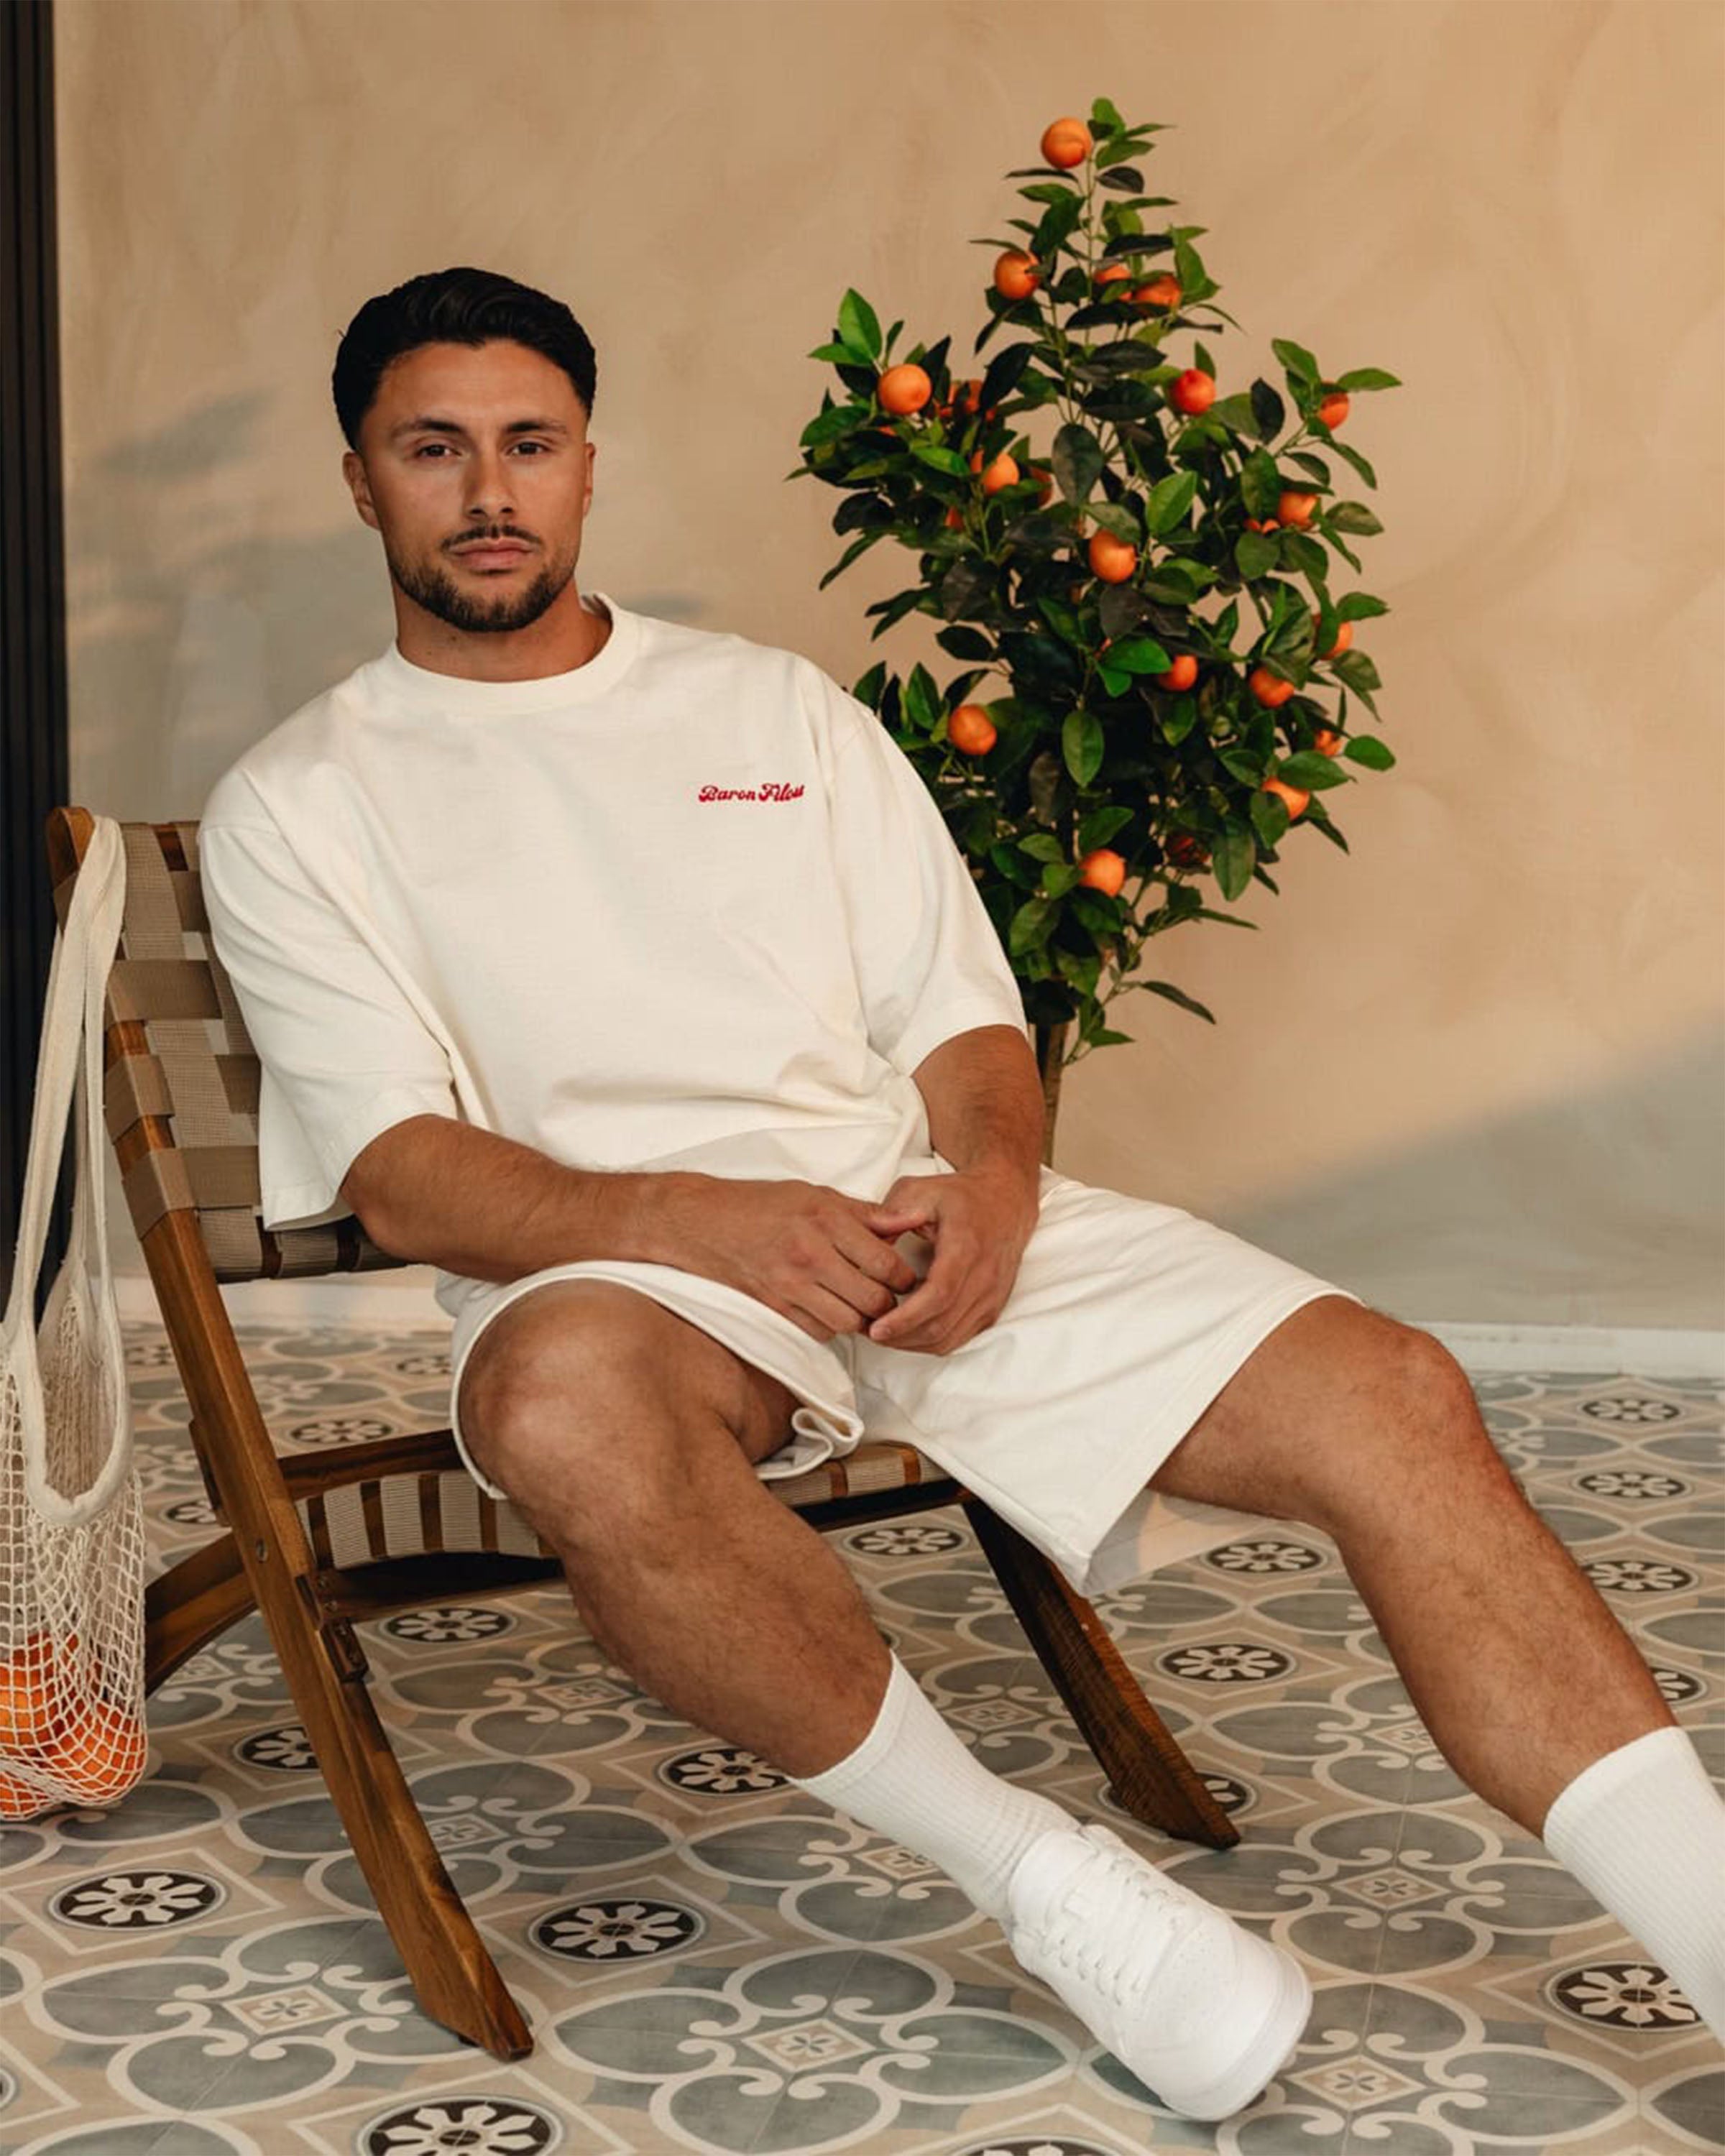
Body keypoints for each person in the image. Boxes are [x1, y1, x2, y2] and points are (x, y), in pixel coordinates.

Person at [198, 266, 1725, 2122]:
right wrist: (716, 1226)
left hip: (924, 1225)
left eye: (530, 443)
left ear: (590, 462)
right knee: (560, 1404)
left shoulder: (774, 709)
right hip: (636, 1277)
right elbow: (405, 1173)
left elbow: (962, 1021)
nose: (490, 491)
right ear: (361, 480)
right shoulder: (302, 802)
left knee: (1395, 1396)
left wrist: (997, 1185)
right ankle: (1048, 1880)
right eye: (434, 449)